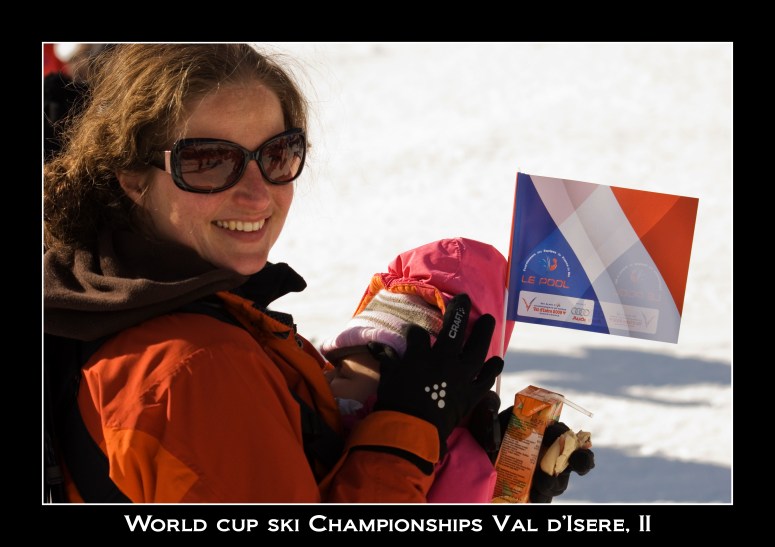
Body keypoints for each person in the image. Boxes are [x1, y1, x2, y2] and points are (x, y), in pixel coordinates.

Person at [43, 44, 503, 503]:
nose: (258, 195)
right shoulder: (197, 368)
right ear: (132, 176)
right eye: (208, 161)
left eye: (277, 153)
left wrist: (469, 475)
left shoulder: (101, 291)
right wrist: (408, 434)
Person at [322, 237, 595, 503]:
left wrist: (512, 474)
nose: (323, 375)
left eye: (342, 372)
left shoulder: (460, 470)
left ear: (401, 386)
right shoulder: (334, 425)